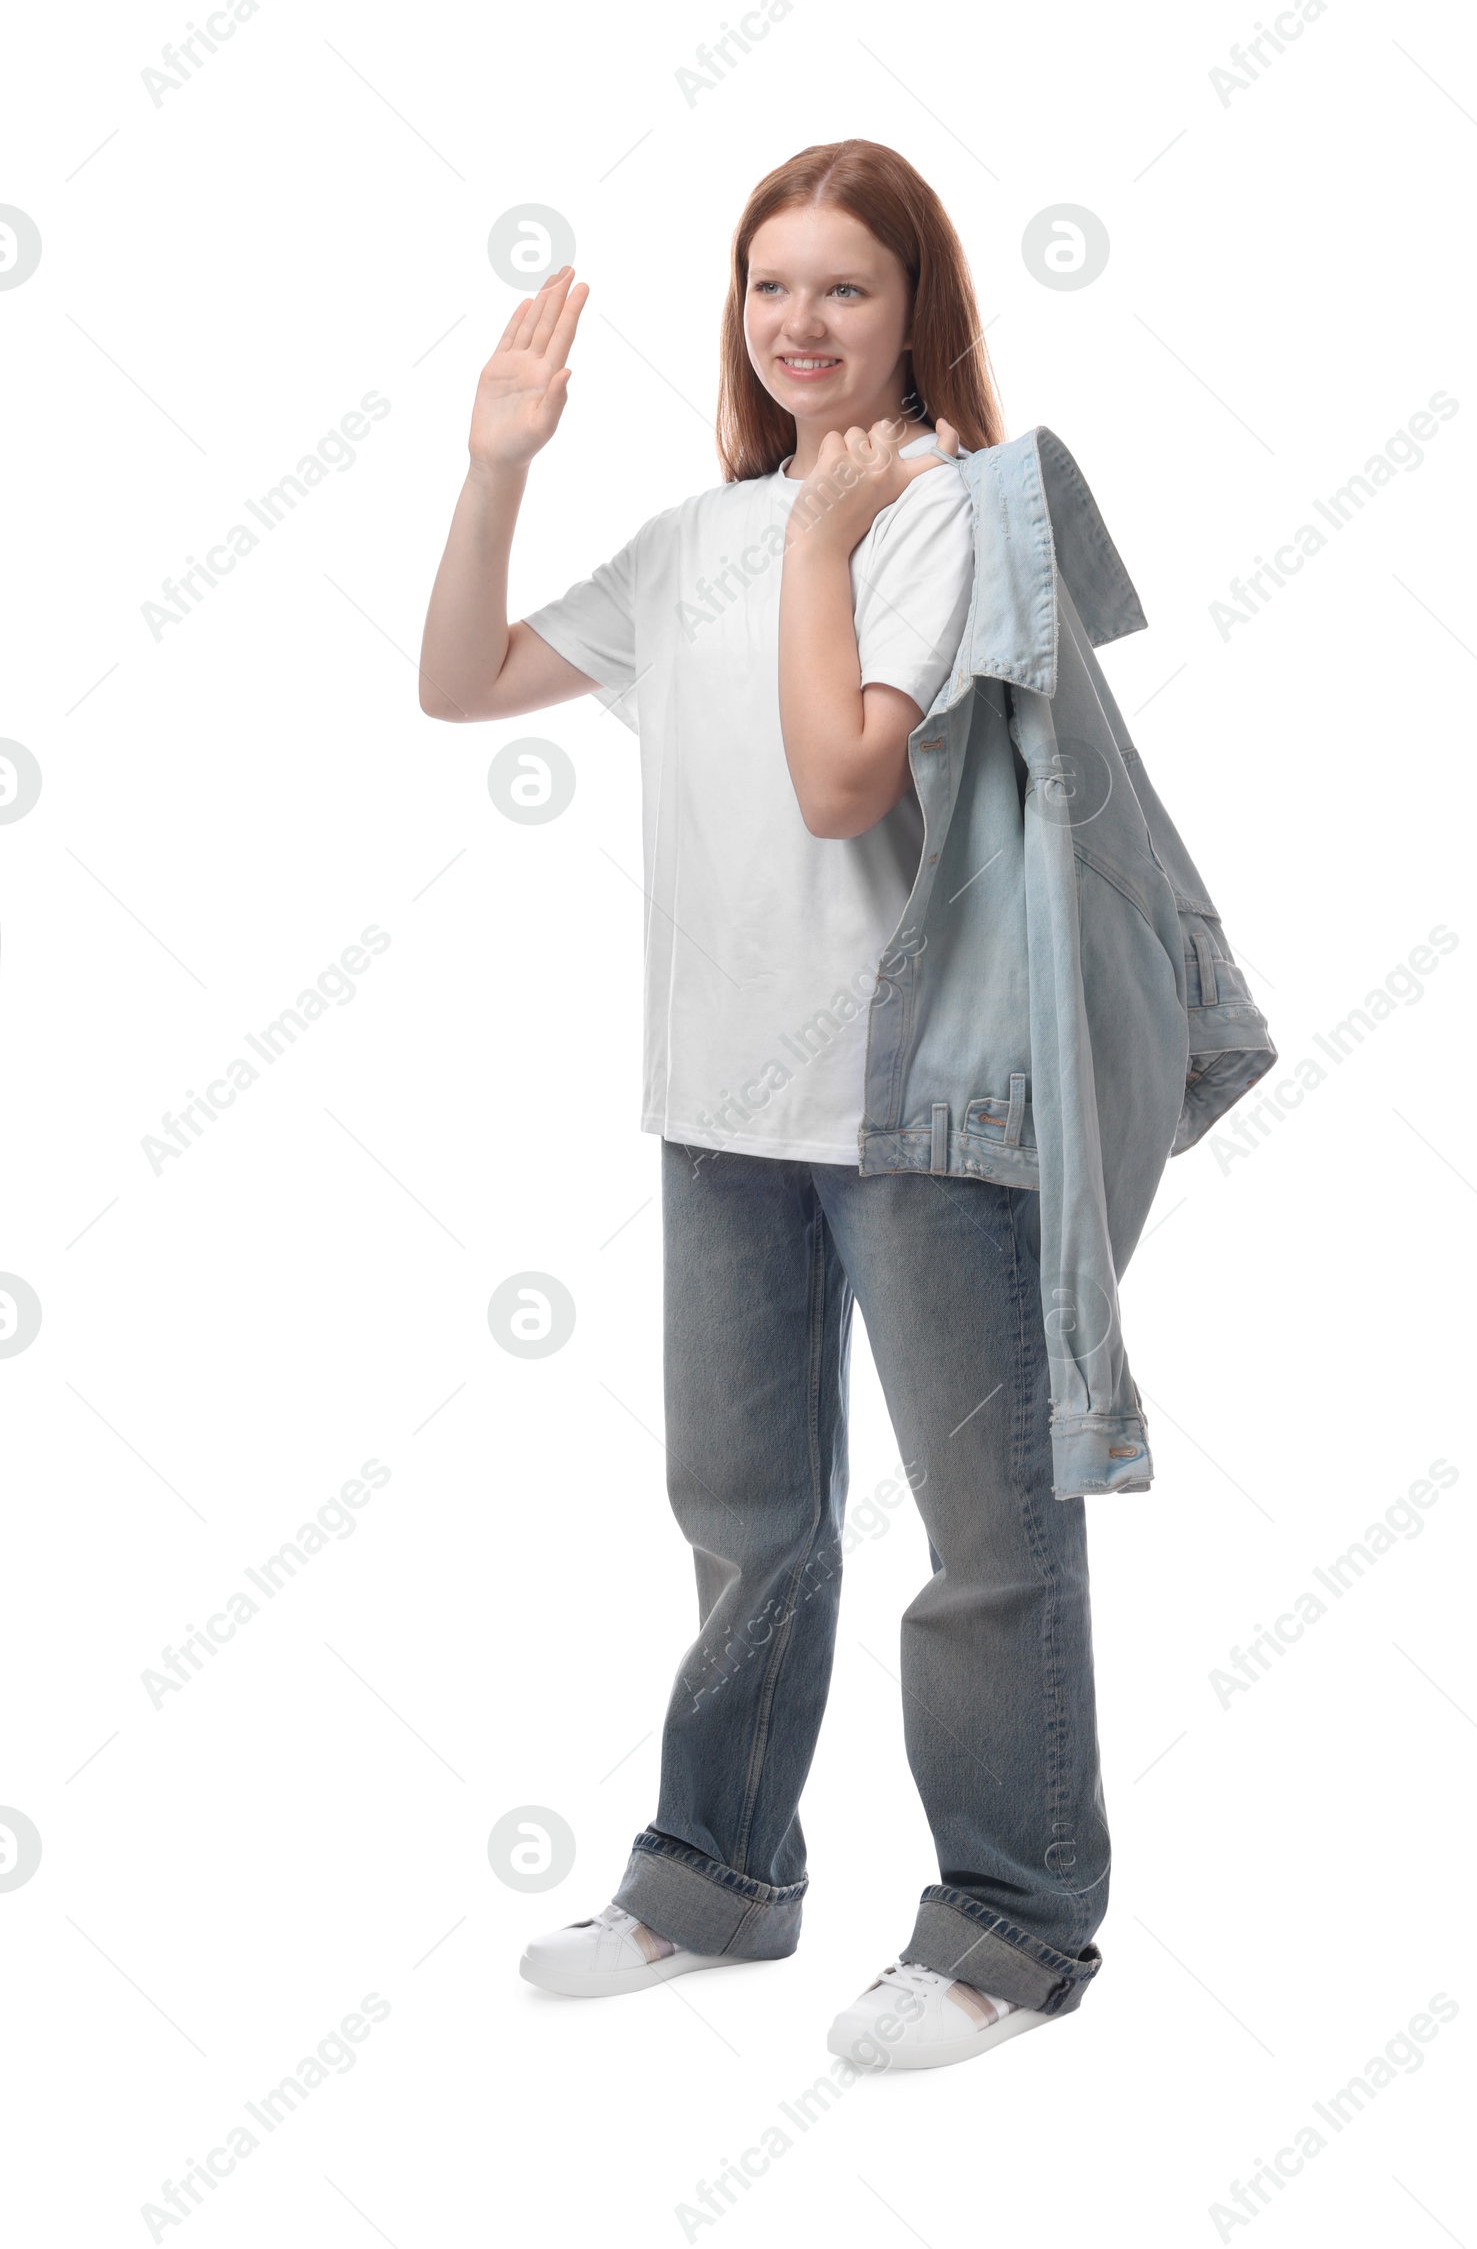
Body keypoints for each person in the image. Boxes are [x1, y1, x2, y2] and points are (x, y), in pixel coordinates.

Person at [419, 140, 1108, 2069]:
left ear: (918, 312)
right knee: (744, 1518)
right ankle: (712, 1879)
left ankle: (1008, 1929)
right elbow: (459, 679)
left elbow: (840, 790)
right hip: (716, 1098)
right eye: (770, 287)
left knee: (989, 1539)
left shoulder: (951, 515)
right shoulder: (688, 540)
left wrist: (824, 535)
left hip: (913, 1102)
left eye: (846, 290)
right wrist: (498, 462)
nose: (801, 324)